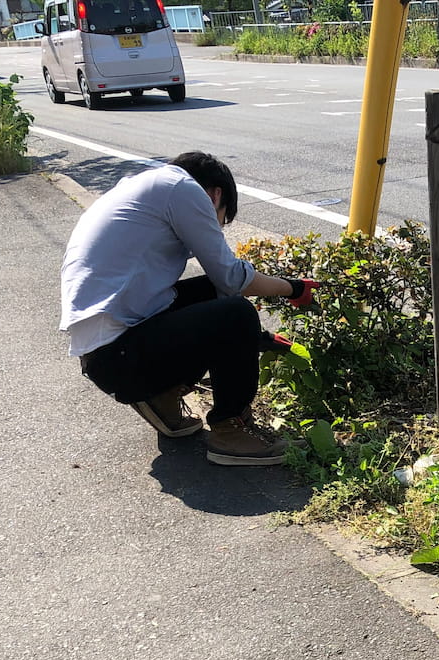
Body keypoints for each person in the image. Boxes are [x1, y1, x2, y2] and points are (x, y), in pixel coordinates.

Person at [59, 151, 318, 466]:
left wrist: (257, 338)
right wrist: (293, 288)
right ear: (215, 195)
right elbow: (232, 276)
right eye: (220, 219)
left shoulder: (140, 187)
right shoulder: (183, 188)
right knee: (237, 313)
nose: (216, 228)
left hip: (107, 355)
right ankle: (229, 429)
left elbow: (215, 288)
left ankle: (160, 396)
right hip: (120, 358)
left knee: (213, 293)